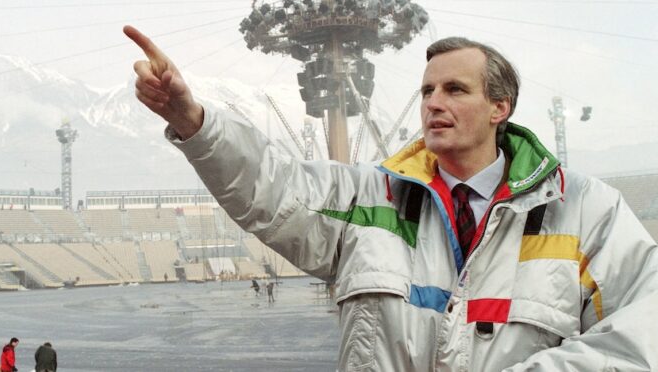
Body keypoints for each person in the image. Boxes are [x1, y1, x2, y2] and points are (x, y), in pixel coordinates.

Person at [125, 25, 658, 371]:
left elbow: (641, 335)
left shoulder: (588, 210)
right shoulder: (366, 199)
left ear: (501, 107)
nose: (433, 104)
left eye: (455, 90)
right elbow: (272, 185)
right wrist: (192, 122)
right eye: (426, 91)